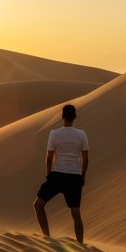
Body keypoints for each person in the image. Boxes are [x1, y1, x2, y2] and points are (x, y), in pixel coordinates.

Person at [32, 104, 89, 243]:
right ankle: (80, 244)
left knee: (38, 205)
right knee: (76, 214)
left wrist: (49, 174)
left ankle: (47, 237)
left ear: (62, 116)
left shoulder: (54, 134)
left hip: (57, 176)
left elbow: (49, 157)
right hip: (74, 177)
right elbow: (86, 159)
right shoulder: (82, 134)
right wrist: (82, 177)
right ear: (75, 117)